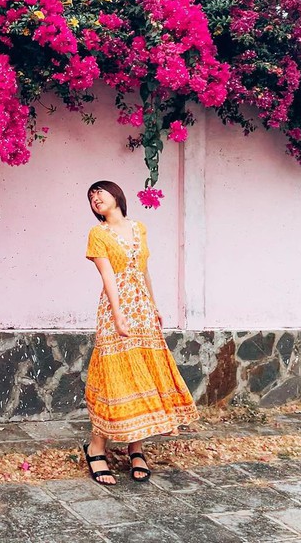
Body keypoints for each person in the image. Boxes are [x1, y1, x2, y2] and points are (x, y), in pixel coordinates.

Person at [82, 180, 198, 485]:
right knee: (114, 378)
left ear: (117, 195)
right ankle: (96, 448)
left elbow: (143, 269)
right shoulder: (98, 234)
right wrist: (119, 316)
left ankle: (137, 448)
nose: (95, 198)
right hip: (116, 310)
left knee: (143, 373)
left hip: (143, 308)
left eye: (99, 192)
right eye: (90, 197)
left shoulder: (139, 228)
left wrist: (154, 305)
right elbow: (108, 277)